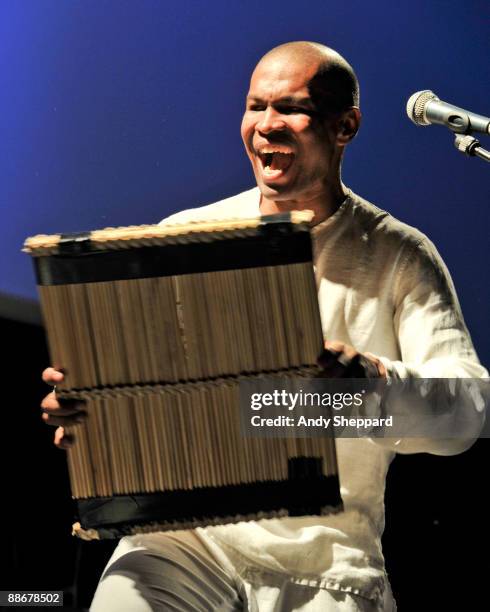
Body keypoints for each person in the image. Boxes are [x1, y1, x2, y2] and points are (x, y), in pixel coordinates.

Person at [40, 41, 487, 611]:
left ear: (345, 125)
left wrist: (373, 384)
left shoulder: (400, 254)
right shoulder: (188, 235)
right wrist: (89, 408)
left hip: (326, 563)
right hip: (182, 543)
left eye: (291, 108)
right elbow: (147, 393)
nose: (267, 125)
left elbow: (469, 408)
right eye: (256, 106)